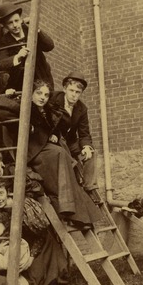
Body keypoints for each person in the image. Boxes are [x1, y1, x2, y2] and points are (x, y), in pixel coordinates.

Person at [0, 79, 102, 227]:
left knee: (63, 155)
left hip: (45, 148)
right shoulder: (24, 106)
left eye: (45, 94)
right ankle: (67, 207)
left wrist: (54, 134)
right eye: (38, 93)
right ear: (30, 94)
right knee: (59, 154)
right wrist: (9, 98)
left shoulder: (46, 109)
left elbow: (56, 126)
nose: (42, 97)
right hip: (31, 152)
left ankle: (74, 210)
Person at [0, 177, 69, 285]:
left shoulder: (23, 206)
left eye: (0, 193)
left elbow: (41, 234)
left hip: (40, 242)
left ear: (8, 193)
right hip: (20, 244)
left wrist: (31, 257)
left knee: (37, 280)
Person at [49, 71, 99, 199]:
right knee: (62, 150)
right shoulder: (53, 99)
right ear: (65, 88)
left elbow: (84, 133)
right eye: (71, 90)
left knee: (91, 153)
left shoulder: (82, 108)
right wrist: (51, 133)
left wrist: (86, 146)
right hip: (55, 139)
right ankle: (74, 179)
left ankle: (89, 187)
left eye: (78, 92)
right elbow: (45, 118)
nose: (74, 95)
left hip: (71, 142)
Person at [0, 1, 54, 91]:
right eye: (10, 23)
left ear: (21, 19)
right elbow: (0, 64)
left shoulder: (30, 29)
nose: (15, 25)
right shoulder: (6, 41)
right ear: (5, 26)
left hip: (43, 76)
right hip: (23, 83)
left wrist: (36, 29)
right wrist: (17, 56)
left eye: (16, 20)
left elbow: (49, 46)